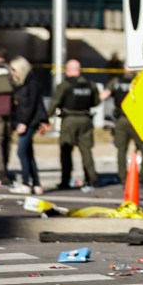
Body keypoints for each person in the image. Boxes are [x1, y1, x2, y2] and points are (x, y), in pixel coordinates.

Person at [46, 59, 100, 189]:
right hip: (85, 120)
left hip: (69, 120)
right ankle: (91, 178)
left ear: (69, 70)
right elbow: (96, 102)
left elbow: (55, 102)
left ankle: (65, 180)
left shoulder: (65, 85)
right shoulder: (90, 84)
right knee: (86, 150)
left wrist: (46, 118)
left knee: (66, 150)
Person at [9, 57, 47, 195]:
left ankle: (26, 183)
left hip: (29, 122)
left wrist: (23, 122)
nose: (12, 73)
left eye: (14, 70)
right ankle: (36, 184)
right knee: (28, 153)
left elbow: (30, 106)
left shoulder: (31, 84)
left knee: (21, 152)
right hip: (27, 121)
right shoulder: (23, 83)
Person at [102, 67, 143, 184]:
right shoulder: (141, 80)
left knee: (121, 150)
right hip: (138, 119)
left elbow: (103, 95)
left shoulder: (117, 81)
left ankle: (123, 177)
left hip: (122, 119)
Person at [0, 47, 13, 187]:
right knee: (7, 141)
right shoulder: (10, 70)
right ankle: (5, 168)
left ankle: (1, 172)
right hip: (9, 111)